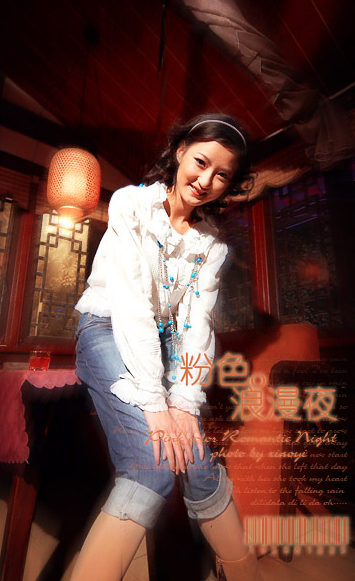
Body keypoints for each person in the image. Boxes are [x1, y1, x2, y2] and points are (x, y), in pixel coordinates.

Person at [71, 114, 263, 581]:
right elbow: (132, 304)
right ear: (180, 152)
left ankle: (243, 574)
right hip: (106, 326)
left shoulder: (212, 244)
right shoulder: (131, 204)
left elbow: (198, 329)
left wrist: (184, 402)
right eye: (201, 162)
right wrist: (156, 404)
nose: (206, 180)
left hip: (163, 342)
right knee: (151, 466)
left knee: (194, 455)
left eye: (222, 175)